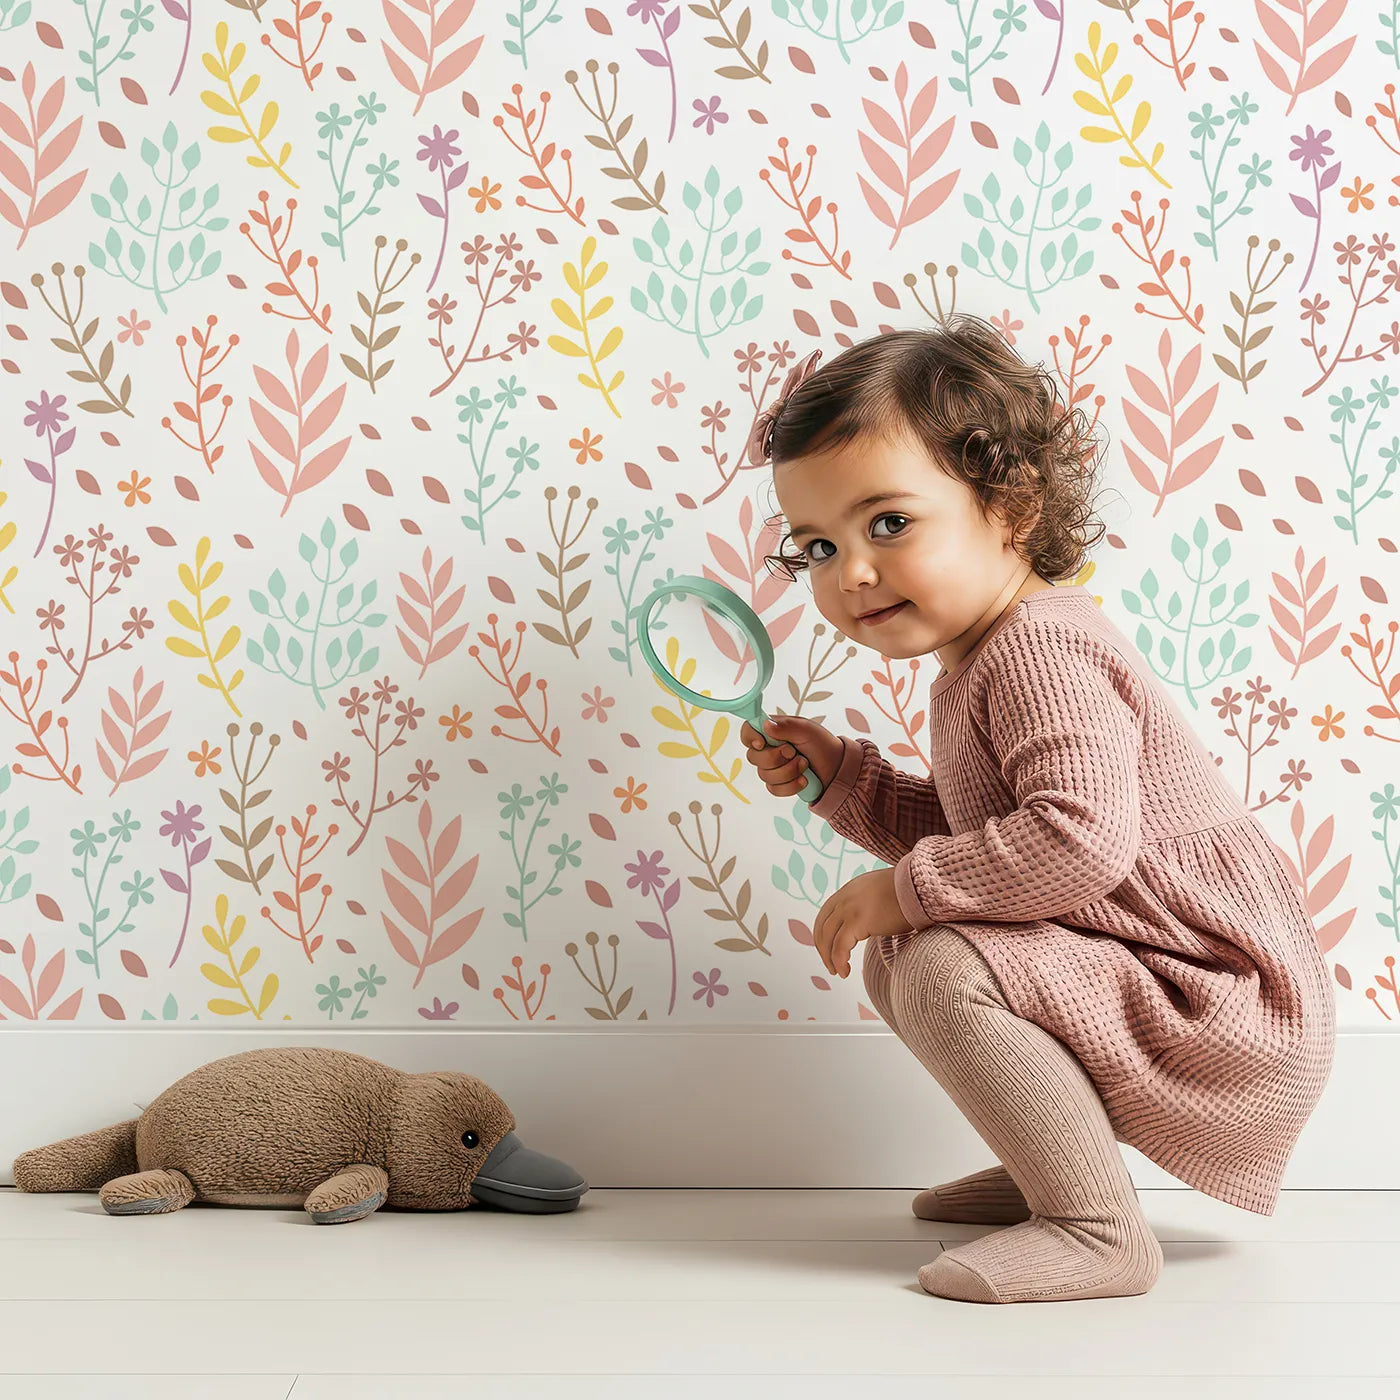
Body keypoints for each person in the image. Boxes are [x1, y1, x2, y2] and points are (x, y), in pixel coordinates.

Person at [738, 317, 1336, 1305]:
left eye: (887, 522)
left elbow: (1072, 843)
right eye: (817, 544)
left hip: (1218, 998)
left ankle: (1093, 1225)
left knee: (931, 953)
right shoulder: (988, 656)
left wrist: (906, 886)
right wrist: (846, 777)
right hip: (1158, 967)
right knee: (919, 940)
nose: (849, 571)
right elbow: (992, 841)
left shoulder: (1036, 652)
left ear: (1008, 505)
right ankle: (1049, 1167)